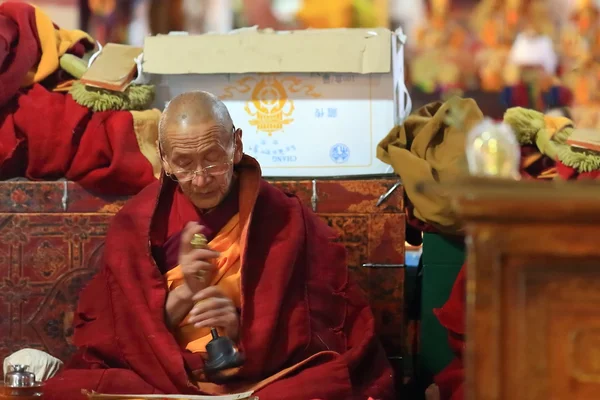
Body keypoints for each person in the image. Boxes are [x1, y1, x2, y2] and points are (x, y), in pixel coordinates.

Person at [42, 91, 396, 399]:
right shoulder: (136, 224)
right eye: (183, 163)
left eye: (212, 158)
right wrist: (181, 298)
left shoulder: (285, 219)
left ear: (236, 145)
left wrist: (243, 328)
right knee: (71, 390)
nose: (200, 178)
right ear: (163, 159)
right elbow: (117, 336)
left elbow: (323, 328)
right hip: (161, 373)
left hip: (258, 373)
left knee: (327, 382)